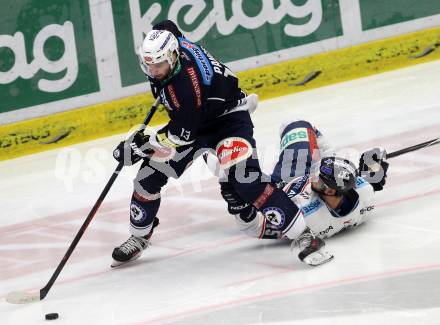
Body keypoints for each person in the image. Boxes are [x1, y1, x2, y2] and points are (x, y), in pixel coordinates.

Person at [111, 20, 333, 267]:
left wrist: (139, 146)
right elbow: (167, 25)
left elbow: (181, 135)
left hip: (227, 120)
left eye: (159, 66)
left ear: (173, 56)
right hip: (196, 120)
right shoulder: (172, 46)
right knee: (147, 179)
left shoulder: (186, 87)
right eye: (149, 66)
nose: (154, 72)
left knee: (245, 179)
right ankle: (140, 237)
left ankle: (305, 237)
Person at [220, 119, 389, 243]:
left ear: (330, 191)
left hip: (282, 182)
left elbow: (253, 228)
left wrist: (239, 208)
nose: (313, 175)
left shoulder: (304, 218)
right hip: (302, 177)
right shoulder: (365, 192)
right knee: (297, 126)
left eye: (317, 177)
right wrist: (374, 164)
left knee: (231, 169)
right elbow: (374, 161)